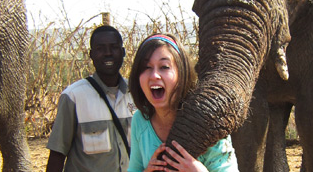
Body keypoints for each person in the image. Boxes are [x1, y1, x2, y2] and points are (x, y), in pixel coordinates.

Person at [127, 33, 239, 172]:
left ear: (182, 73)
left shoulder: (207, 120)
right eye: (146, 67)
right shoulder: (140, 119)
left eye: (164, 67)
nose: (154, 75)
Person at [46, 25, 135, 172]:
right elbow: (57, 154)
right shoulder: (74, 96)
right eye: (100, 48)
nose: (108, 53)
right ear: (91, 54)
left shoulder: (137, 92)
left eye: (113, 47)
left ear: (123, 52)